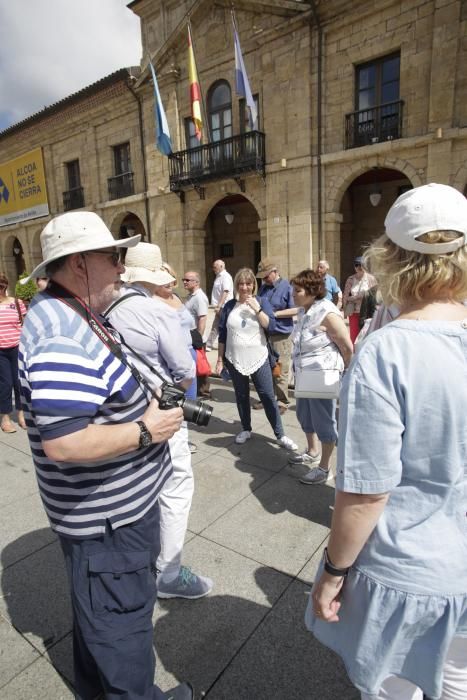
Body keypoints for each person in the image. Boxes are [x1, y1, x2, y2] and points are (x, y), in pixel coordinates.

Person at [18, 211, 193, 700]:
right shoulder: (59, 331)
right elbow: (64, 442)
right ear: (78, 264)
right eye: (113, 257)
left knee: (99, 627)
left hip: (106, 521)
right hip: (111, 526)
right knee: (122, 634)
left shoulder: (70, 310)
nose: (121, 267)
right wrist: (146, 428)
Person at [307, 183, 467, 700]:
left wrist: (333, 571)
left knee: (393, 689)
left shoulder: (384, 352)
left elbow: (367, 491)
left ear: (393, 258)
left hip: (408, 573)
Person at [106, 242, 213, 600]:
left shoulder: (103, 309)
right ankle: (168, 573)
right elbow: (184, 371)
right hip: (161, 415)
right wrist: (169, 398)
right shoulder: (157, 312)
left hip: (120, 417)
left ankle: (142, 559)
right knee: (177, 485)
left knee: (139, 486)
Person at [215, 267, 298, 450]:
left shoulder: (262, 301)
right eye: (241, 284)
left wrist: (257, 308)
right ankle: (246, 428)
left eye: (248, 283)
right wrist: (220, 359)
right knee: (241, 395)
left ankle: (280, 435)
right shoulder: (229, 306)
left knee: (268, 396)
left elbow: (271, 326)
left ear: (254, 284)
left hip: (259, 357)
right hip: (234, 358)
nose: (244, 287)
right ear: (237, 285)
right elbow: (222, 334)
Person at [288, 269, 352, 483]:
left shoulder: (327, 312)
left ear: (312, 291)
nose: (293, 294)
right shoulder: (303, 310)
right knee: (304, 415)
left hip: (322, 375)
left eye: (297, 290)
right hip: (304, 373)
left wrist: (347, 372)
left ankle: (324, 468)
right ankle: (312, 451)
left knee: (324, 421)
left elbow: (347, 346)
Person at [254, 258, 295, 415]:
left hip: (281, 335)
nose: (263, 279)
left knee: (280, 369)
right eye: (262, 277)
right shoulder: (263, 288)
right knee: (265, 369)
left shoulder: (287, 288)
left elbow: (296, 310)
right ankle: (267, 398)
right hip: (265, 335)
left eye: (266, 276)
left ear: (275, 272)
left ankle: (283, 401)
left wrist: (274, 314)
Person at [0, 273, 27, 432]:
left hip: (17, 347)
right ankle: (5, 418)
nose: (1, 287)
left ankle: (22, 413)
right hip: (0, 351)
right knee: (5, 383)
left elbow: (25, 323)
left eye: (2, 284)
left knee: (19, 382)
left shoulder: (17, 303)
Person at [183, 271, 211, 398]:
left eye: (187, 280)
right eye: (184, 279)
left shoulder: (199, 297)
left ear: (196, 282)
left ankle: (204, 391)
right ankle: (199, 390)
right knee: (195, 365)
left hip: (196, 338)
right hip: (189, 336)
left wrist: (198, 338)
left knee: (200, 365)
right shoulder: (190, 296)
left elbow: (202, 318)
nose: (184, 282)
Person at [342, 256, 377, 344]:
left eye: (361, 265)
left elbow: (374, 295)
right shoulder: (350, 279)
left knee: (367, 334)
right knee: (354, 336)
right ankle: (355, 355)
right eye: (356, 265)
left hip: (367, 312)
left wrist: (355, 298)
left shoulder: (371, 279)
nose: (359, 267)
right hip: (354, 311)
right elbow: (345, 295)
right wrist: (345, 311)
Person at [206, 259, 233, 350]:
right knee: (217, 325)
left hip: (224, 306)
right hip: (220, 306)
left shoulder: (225, 277)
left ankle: (210, 344)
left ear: (221, 266)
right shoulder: (219, 276)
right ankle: (209, 344)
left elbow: (225, 291)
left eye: (215, 267)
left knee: (221, 325)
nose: (213, 269)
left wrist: (219, 306)